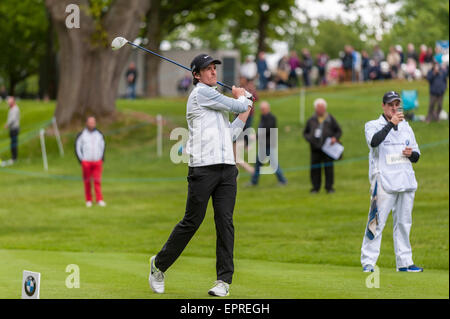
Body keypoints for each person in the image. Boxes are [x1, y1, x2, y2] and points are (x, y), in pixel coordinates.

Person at [148, 53, 253, 297]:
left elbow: (231, 133)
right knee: (192, 222)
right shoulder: (201, 94)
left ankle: (223, 281)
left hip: (227, 168)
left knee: (224, 222)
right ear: (196, 75)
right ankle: (158, 265)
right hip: (203, 169)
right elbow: (237, 104)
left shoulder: (214, 101)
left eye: (214, 68)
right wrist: (243, 98)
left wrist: (246, 110)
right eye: (207, 69)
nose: (214, 72)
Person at [361, 91, 423, 273]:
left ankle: (405, 262)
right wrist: (390, 124)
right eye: (391, 105)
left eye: (397, 105)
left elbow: (417, 155)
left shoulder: (407, 127)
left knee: (404, 223)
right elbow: (374, 142)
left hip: (405, 180)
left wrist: (411, 154)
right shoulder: (372, 125)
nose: (395, 108)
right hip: (384, 181)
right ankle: (368, 261)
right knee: (376, 222)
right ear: (383, 106)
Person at [303, 98, 342, 194]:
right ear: (315, 108)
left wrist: (334, 138)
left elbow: (338, 131)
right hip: (315, 149)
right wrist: (310, 139)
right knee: (315, 169)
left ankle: (329, 188)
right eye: (319, 108)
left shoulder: (330, 119)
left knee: (328, 169)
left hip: (328, 149)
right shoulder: (311, 119)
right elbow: (305, 133)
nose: (321, 110)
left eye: (322, 108)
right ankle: (315, 188)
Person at [249, 101, 287, 186]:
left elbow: (267, 129)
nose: (262, 110)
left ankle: (283, 181)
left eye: (264, 109)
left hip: (269, 145)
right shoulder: (263, 117)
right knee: (258, 164)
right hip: (262, 146)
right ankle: (254, 182)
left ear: (268, 108)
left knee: (273, 164)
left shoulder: (271, 118)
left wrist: (256, 136)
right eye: (261, 109)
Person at [75, 116, 106, 207]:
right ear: (87, 123)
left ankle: (99, 199)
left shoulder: (99, 134)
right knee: (87, 182)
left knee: (97, 181)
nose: (92, 124)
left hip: (97, 161)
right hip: (86, 162)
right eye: (90, 122)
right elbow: (77, 148)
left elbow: (102, 146)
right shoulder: (82, 135)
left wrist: (101, 158)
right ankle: (88, 200)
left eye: (93, 122)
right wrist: (81, 160)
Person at [3, 96, 20, 164]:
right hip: (12, 129)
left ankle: (14, 158)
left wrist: (7, 124)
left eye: (9, 102)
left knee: (14, 144)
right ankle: (13, 157)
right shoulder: (11, 109)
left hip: (14, 129)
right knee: (12, 143)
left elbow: (13, 119)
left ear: (12, 102)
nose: (8, 104)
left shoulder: (15, 109)